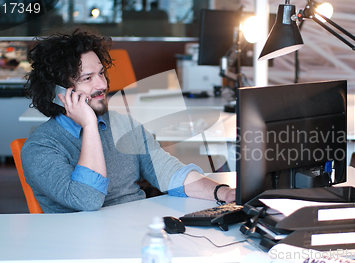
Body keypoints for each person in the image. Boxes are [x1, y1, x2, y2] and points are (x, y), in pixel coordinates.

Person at [21, 28, 235, 213]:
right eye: (87, 78)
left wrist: (222, 192)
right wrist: (89, 126)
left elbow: (169, 173)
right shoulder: (40, 147)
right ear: (60, 93)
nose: (102, 85)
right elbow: (88, 199)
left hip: (136, 232)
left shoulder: (123, 124)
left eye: (101, 73)